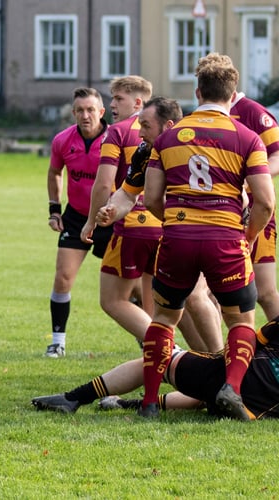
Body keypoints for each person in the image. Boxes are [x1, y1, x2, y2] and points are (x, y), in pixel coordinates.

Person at [139, 53, 275, 420]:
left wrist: (175, 222)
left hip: (178, 239)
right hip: (225, 242)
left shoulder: (167, 139)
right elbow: (265, 201)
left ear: (197, 91)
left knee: (164, 319)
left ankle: (150, 402)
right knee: (241, 322)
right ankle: (231, 387)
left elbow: (151, 198)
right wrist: (246, 237)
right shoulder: (248, 138)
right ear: (233, 95)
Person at [91, 96, 223, 352]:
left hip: (207, 232)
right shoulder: (144, 150)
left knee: (198, 298)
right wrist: (112, 210)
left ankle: (225, 366)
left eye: (146, 126)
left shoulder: (197, 146)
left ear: (169, 126)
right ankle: (205, 368)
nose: (139, 133)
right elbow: (129, 192)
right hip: (174, 235)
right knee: (176, 306)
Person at [32, 315, 279, 420]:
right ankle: (123, 403)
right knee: (204, 396)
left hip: (246, 375)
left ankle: (74, 398)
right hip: (255, 409)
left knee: (157, 361)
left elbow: (251, 339)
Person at [80, 76, 160, 345]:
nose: (112, 104)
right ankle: (158, 358)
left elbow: (103, 184)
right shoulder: (164, 129)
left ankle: (169, 351)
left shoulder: (117, 132)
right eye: (112, 98)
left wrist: (91, 221)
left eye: (119, 98)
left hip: (132, 227)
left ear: (138, 101)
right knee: (151, 305)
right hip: (163, 226)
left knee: (112, 300)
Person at [44, 87, 110, 357]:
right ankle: (58, 341)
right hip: (76, 216)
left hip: (110, 218)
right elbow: (54, 172)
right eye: (80, 110)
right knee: (63, 278)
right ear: (73, 113)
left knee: (130, 286)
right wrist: (54, 210)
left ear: (101, 112)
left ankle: (147, 340)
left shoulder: (115, 139)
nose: (85, 115)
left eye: (90, 109)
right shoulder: (62, 140)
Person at [230, 92, 279, 321]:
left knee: (266, 293)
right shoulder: (206, 115)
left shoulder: (253, 112)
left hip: (255, 211)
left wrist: (251, 179)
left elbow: (278, 154)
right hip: (219, 212)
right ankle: (222, 352)